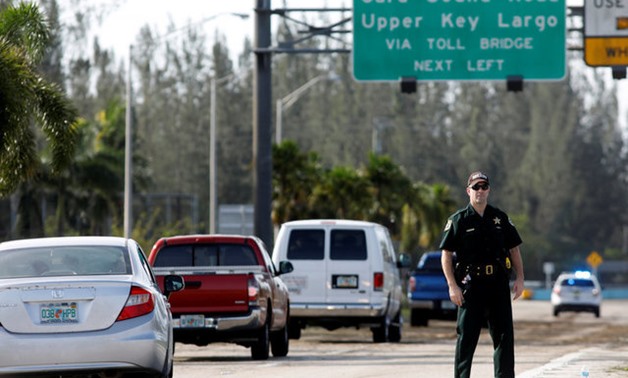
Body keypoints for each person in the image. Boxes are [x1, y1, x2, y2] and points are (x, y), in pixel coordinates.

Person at [439, 171, 524, 378]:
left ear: (489, 190)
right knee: (466, 339)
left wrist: (520, 277)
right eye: (476, 187)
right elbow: (446, 254)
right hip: (471, 287)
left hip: (497, 285)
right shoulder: (458, 220)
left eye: (484, 187)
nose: (480, 191)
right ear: (468, 191)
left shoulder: (499, 218)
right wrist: (452, 285)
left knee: (504, 337)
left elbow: (514, 250)